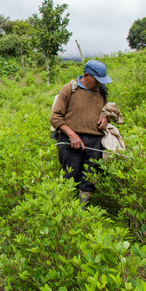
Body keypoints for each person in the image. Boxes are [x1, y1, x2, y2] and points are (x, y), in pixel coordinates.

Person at [50, 60, 112, 208]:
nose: (99, 84)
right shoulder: (69, 89)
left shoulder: (101, 91)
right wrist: (71, 134)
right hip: (70, 140)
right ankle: (66, 211)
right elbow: (55, 117)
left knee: (90, 178)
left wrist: (105, 118)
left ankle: (82, 212)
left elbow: (105, 110)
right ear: (86, 75)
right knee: (70, 176)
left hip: (95, 141)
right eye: (97, 81)